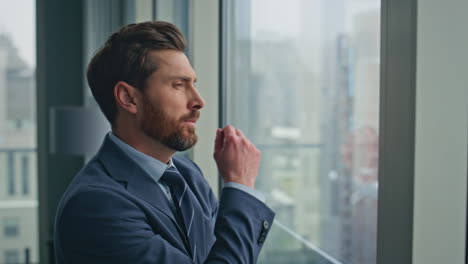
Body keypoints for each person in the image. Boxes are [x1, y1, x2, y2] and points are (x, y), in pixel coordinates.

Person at [54, 21, 275, 264]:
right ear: (128, 98)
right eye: (178, 85)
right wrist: (240, 186)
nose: (198, 100)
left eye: (194, 84)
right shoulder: (95, 206)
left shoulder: (188, 175)